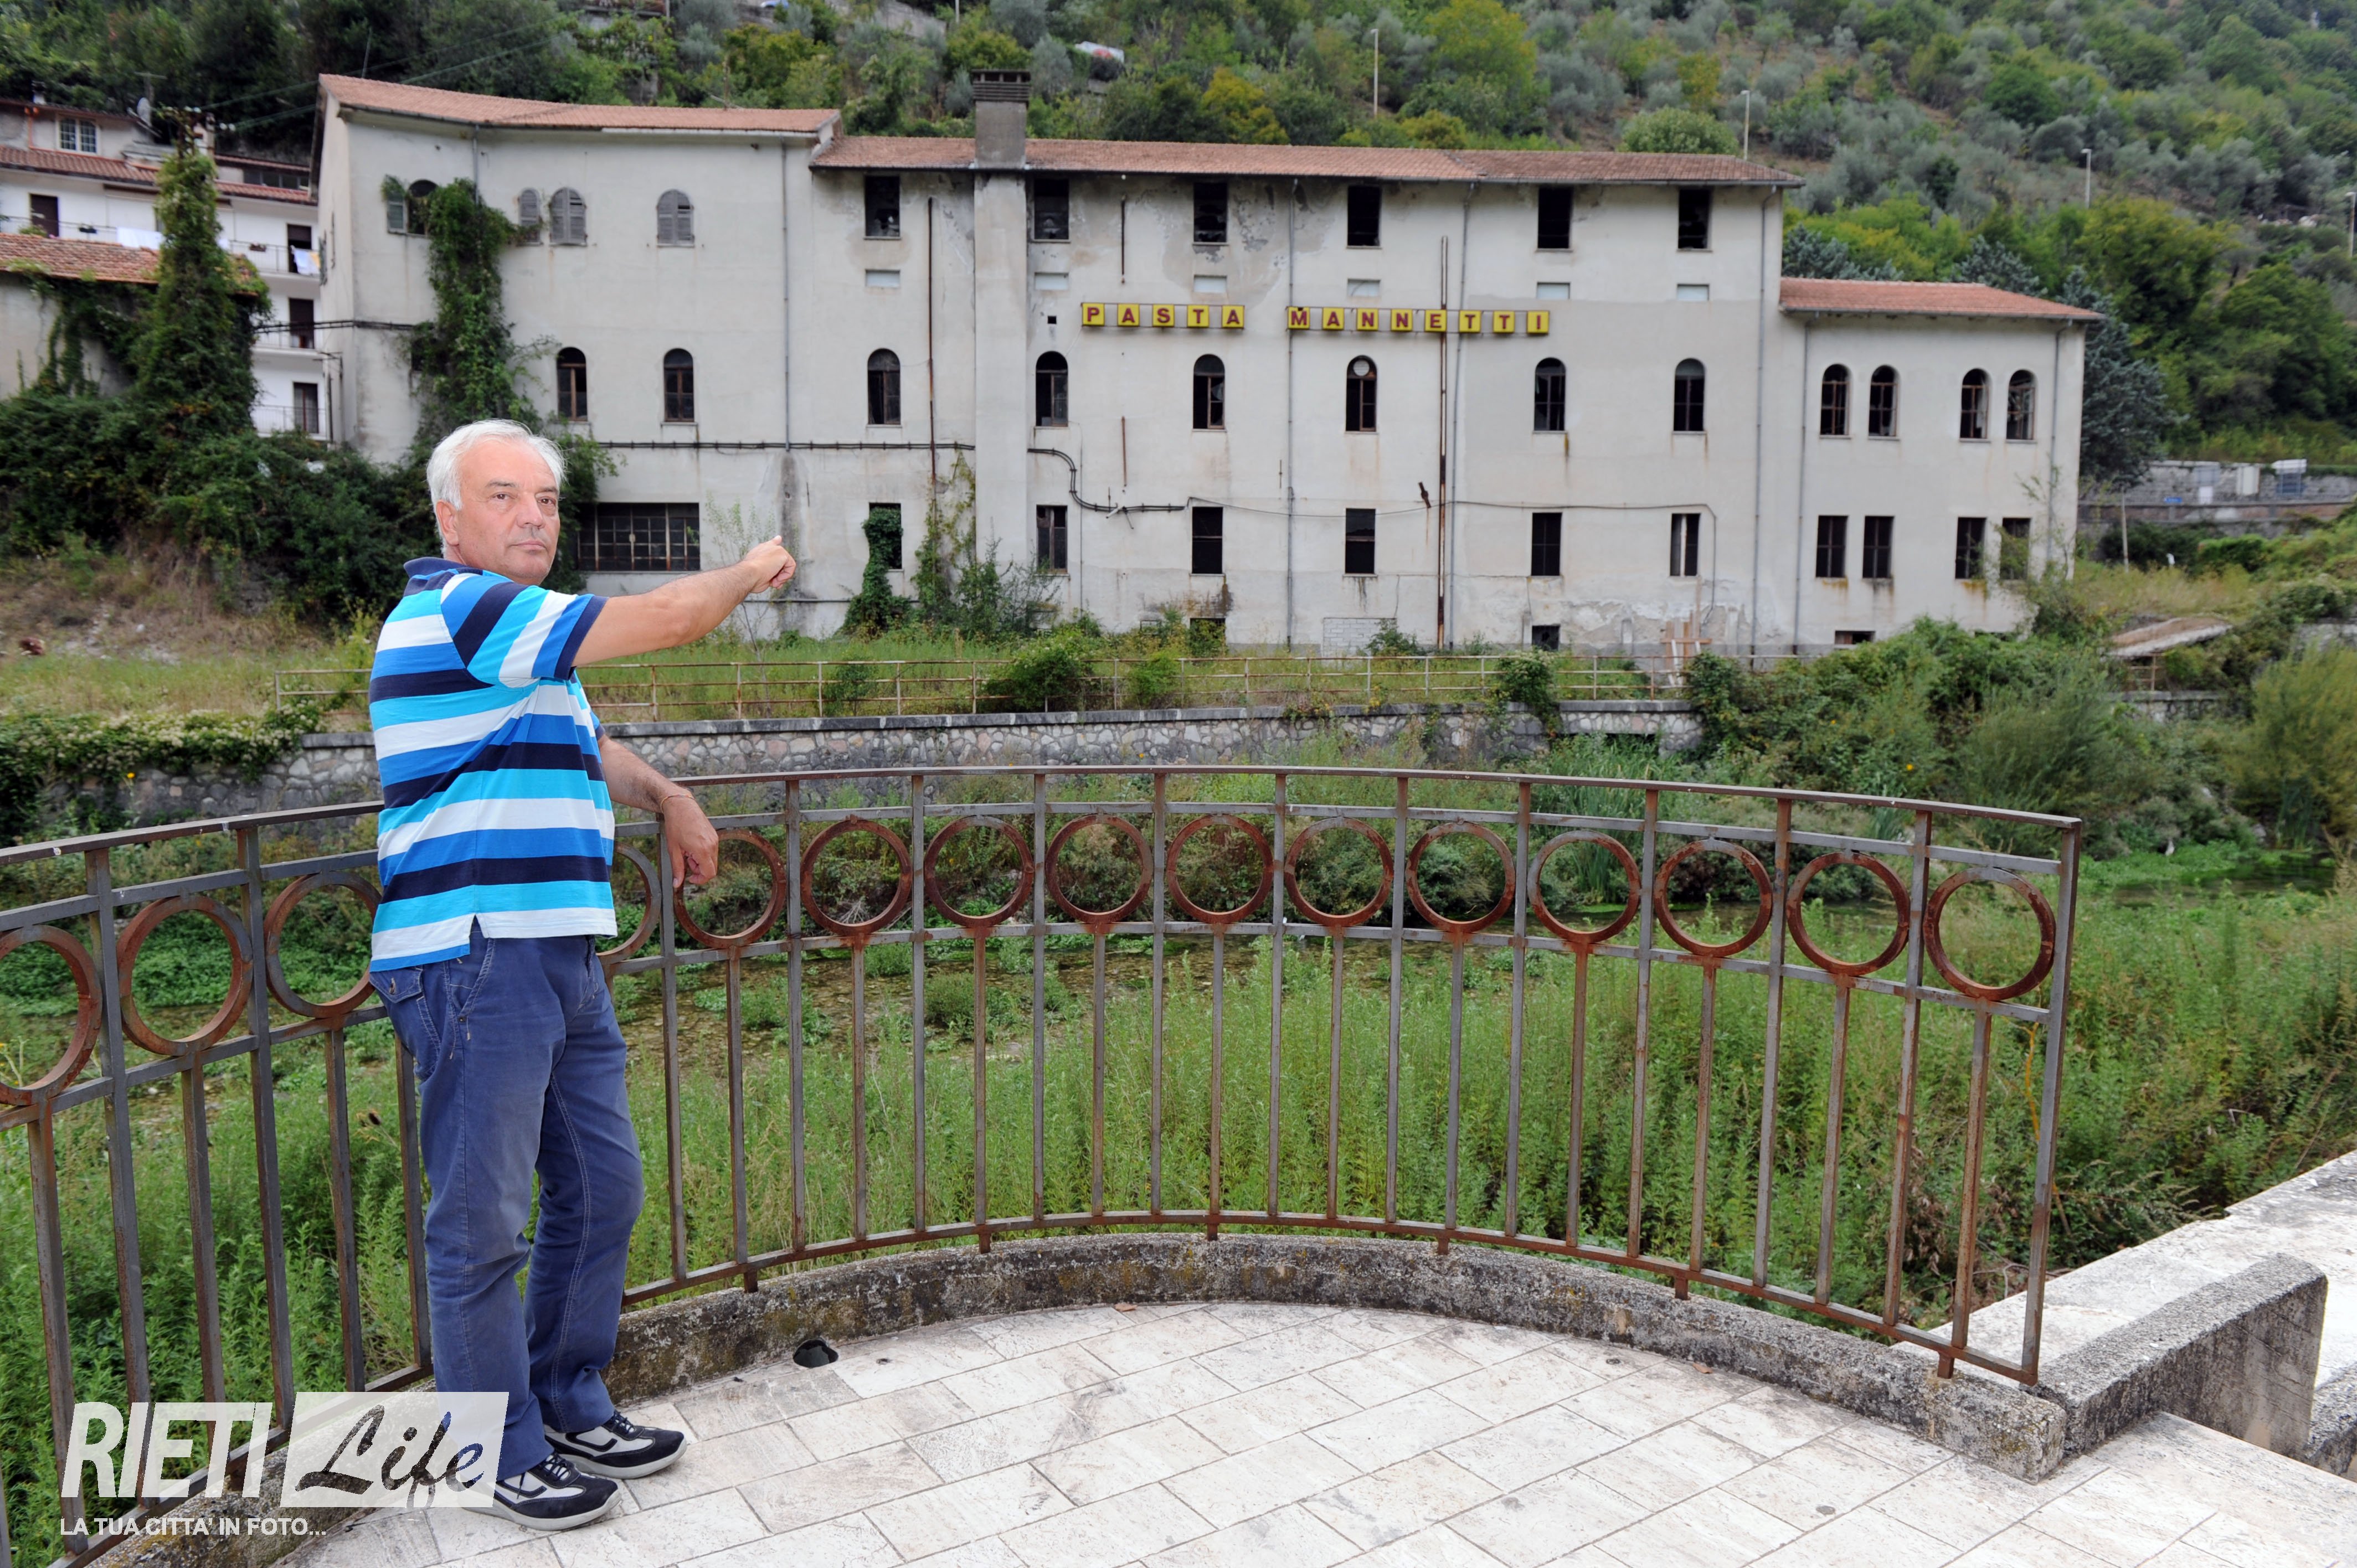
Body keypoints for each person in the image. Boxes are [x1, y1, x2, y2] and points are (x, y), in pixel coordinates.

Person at [366, 419, 795, 1530]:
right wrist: (750, 568)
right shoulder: (461, 608)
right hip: (474, 953)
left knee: (604, 1188)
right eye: (504, 496)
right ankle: (490, 1450)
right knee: (481, 1226)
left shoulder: (518, 640)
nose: (533, 517)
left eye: (547, 500)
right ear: (449, 517)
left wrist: (668, 795)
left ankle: (564, 1398)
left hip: (557, 948)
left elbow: (580, 742)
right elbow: (672, 617)